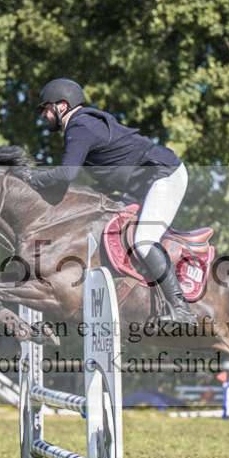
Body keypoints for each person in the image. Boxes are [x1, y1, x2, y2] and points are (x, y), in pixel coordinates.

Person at [26, 78, 197, 326]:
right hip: (141, 184)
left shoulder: (80, 125)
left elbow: (66, 174)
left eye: (46, 108)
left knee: (143, 240)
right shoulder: (83, 123)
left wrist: (31, 178)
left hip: (164, 175)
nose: (44, 114)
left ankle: (180, 309)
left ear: (62, 106)